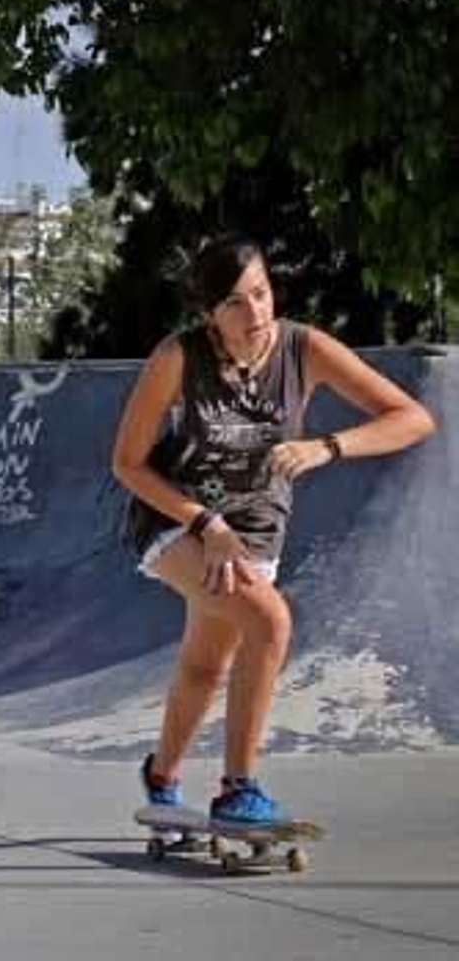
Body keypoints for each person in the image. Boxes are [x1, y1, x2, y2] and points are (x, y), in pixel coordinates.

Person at [112, 235, 436, 825]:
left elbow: (412, 418)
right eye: (235, 303)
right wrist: (206, 523)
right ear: (209, 312)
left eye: (261, 294)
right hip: (177, 521)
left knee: (206, 663)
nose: (255, 314)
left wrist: (329, 446)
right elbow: (127, 464)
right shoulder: (178, 358)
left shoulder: (303, 348)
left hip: (259, 530)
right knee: (270, 620)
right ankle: (239, 789)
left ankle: (161, 776)